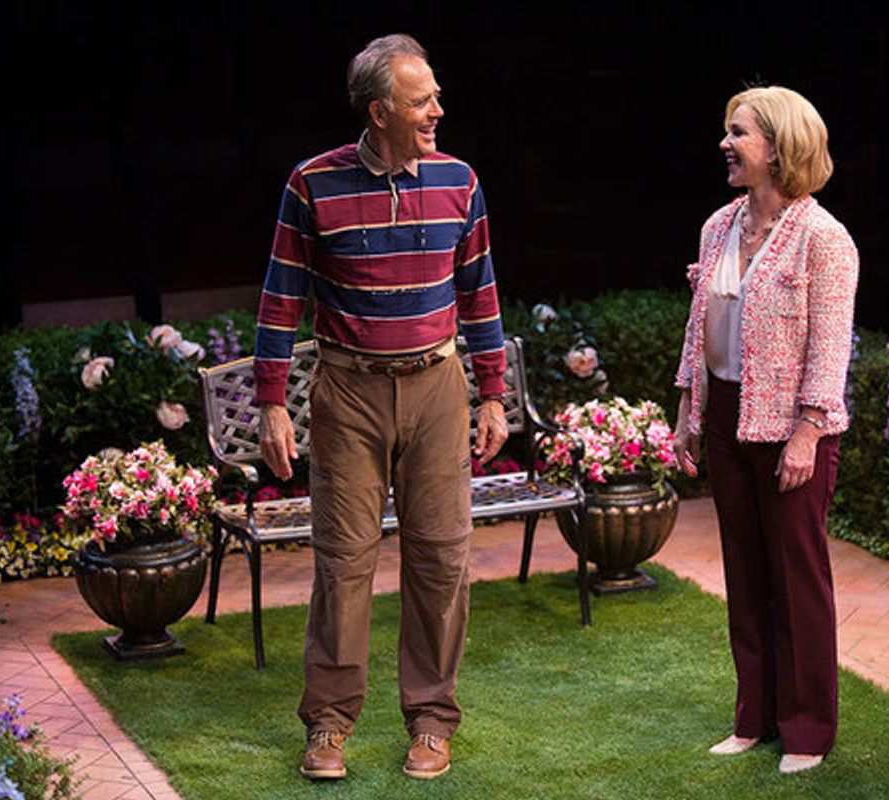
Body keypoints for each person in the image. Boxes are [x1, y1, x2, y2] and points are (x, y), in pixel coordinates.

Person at [252, 33, 509, 781]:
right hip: (349, 391)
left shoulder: (460, 179)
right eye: (420, 99)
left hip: (437, 385)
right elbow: (281, 298)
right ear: (378, 111)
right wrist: (272, 403)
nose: (437, 109)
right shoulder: (312, 183)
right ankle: (328, 726)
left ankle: (431, 721)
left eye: (433, 95)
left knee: (441, 559)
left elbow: (481, 291)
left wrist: (492, 391)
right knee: (343, 562)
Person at [672, 86, 858, 774]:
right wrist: (687, 414)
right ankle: (753, 718)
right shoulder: (718, 225)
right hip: (724, 416)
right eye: (728, 132)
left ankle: (806, 730)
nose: (725, 143)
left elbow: (830, 348)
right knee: (746, 575)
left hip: (790, 425)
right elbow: (700, 329)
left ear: (778, 147)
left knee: (796, 577)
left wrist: (807, 433)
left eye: (738, 133)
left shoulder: (824, 238)